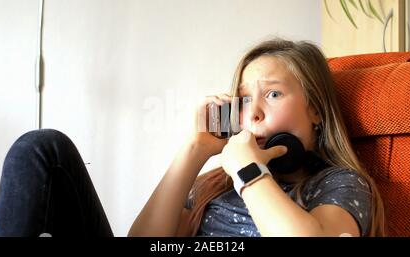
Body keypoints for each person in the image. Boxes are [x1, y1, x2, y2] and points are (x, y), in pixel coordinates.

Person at [128, 38, 385, 237]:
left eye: (273, 94)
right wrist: (195, 148)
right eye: (245, 99)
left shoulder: (340, 183)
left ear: (315, 109)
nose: (254, 114)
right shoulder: (214, 185)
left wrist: (249, 172)